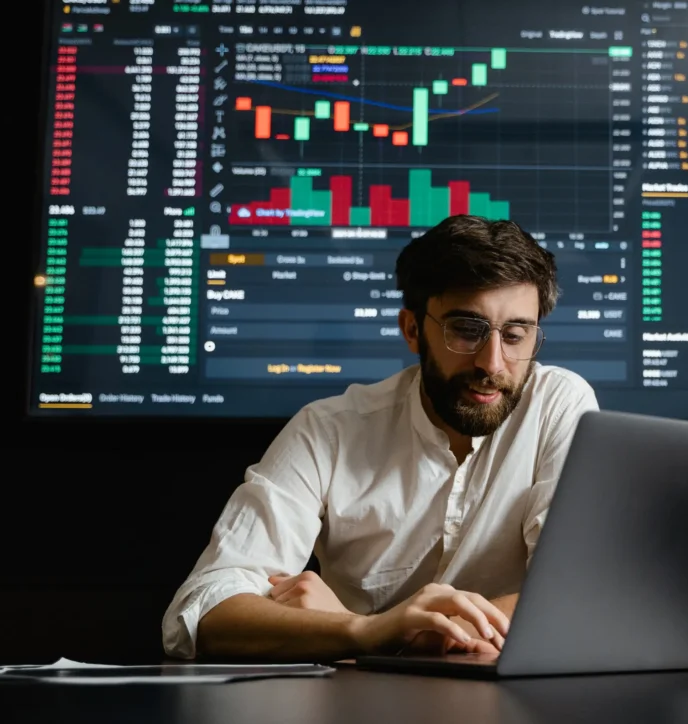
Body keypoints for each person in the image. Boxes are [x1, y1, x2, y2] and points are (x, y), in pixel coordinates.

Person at [162, 215, 599, 661]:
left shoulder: (559, 405)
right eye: (466, 329)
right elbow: (203, 611)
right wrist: (366, 632)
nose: (493, 362)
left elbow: (578, 590)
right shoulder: (326, 430)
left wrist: (381, 634)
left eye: (515, 335)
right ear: (412, 329)